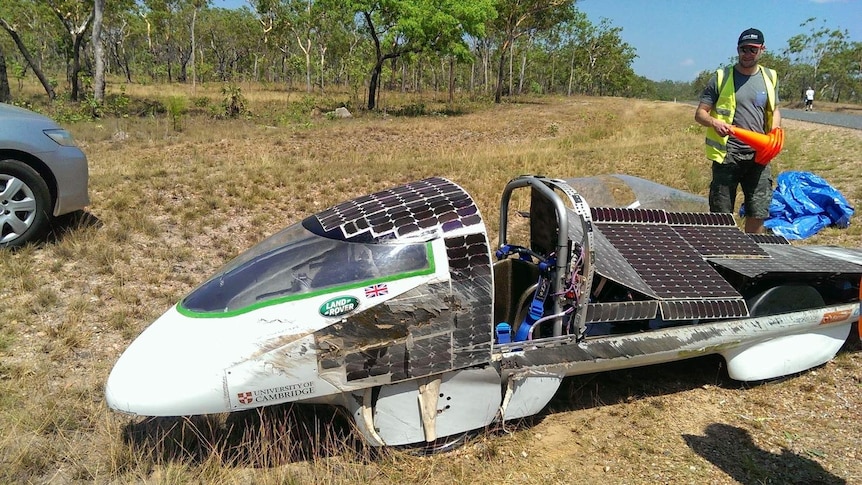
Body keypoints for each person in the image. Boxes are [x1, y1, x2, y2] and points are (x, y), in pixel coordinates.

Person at [695, 28, 781, 234]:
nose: (747, 53)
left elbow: (775, 109)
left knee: (758, 210)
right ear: (737, 49)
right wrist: (715, 123)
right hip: (727, 156)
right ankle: (723, 255)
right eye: (743, 49)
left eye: (753, 49)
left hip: (758, 156)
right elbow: (700, 114)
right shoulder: (721, 77)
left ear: (762, 49)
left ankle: (753, 256)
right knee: (721, 213)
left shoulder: (770, 77)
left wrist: (776, 131)